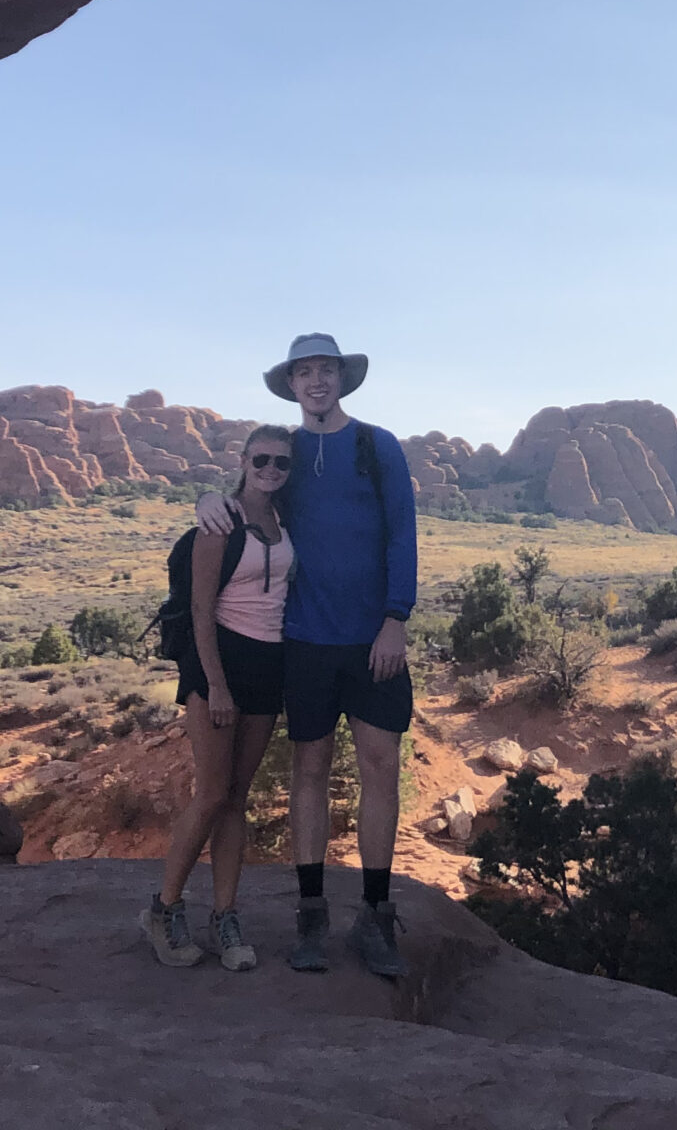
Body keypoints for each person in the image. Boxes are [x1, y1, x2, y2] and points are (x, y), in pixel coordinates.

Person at [201, 333, 415, 977]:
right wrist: (208, 499)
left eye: (326, 370)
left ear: (343, 380)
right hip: (307, 642)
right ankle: (312, 917)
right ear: (291, 385)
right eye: (304, 372)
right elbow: (248, 499)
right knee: (310, 773)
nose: (316, 381)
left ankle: (375, 917)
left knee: (381, 768)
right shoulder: (285, 458)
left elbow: (403, 534)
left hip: (372, 639)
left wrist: (395, 621)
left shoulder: (378, 447)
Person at [143, 425, 297, 973]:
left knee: (237, 798)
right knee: (209, 794)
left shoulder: (287, 520)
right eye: (262, 459)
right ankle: (163, 909)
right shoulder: (219, 522)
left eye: (282, 462)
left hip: (267, 667)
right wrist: (216, 685)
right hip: (219, 666)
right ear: (244, 459)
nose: (271, 469)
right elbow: (202, 610)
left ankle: (226, 916)